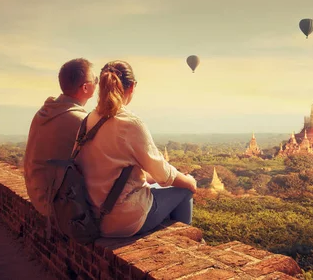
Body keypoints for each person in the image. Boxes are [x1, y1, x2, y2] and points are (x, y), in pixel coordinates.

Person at [75, 60, 196, 238]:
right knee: (184, 192)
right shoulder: (130, 123)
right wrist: (189, 182)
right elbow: (164, 174)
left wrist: (149, 178)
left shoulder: (88, 120)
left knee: (157, 187)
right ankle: (186, 245)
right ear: (132, 87)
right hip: (120, 220)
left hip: (90, 214)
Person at [23, 58, 98, 216]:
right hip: (57, 203)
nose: (97, 83)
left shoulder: (45, 112)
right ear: (85, 87)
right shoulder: (79, 120)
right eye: (95, 80)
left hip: (38, 196)